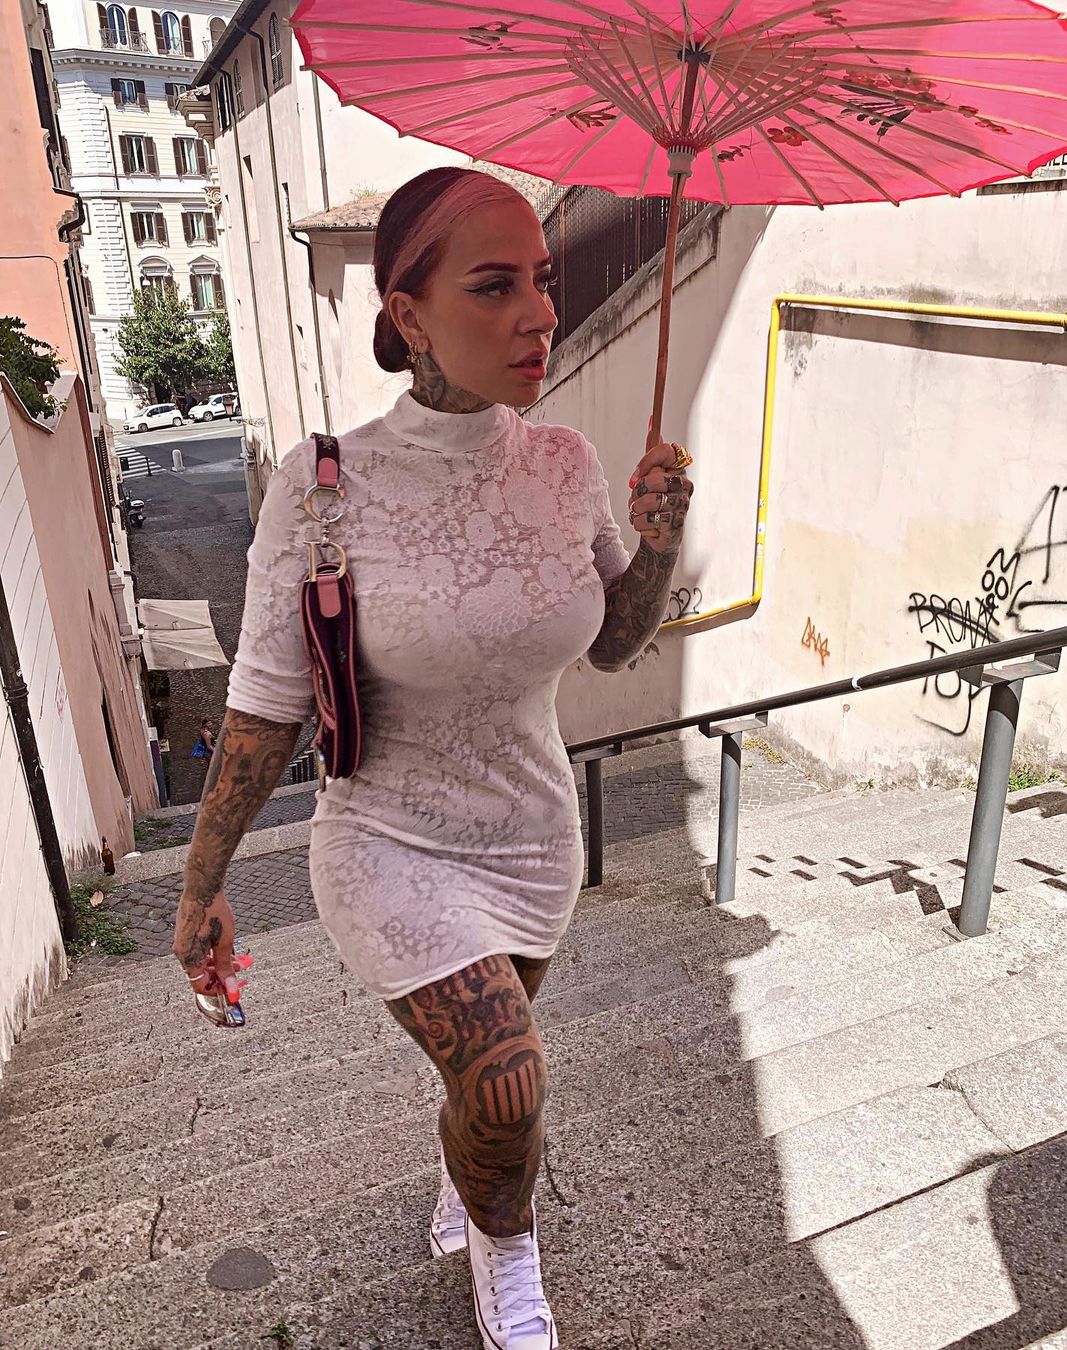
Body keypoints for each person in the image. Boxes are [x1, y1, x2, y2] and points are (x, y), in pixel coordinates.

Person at [171, 166, 694, 1350]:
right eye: (495, 286)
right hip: (387, 841)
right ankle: (508, 1256)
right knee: (508, 1079)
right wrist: (202, 885)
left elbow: (616, 641)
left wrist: (660, 539)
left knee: (480, 1085)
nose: (540, 314)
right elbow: (263, 707)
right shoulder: (323, 484)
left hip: (534, 838)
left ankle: (470, 1181)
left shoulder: (564, 462)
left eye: (543, 282)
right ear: (408, 315)